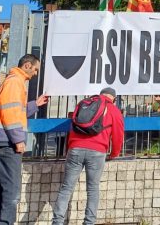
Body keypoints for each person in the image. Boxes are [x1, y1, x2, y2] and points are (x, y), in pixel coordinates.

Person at [0, 54, 49, 225]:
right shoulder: (15, 82)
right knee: (12, 192)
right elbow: (10, 114)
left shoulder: (13, 81)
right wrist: (18, 139)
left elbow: (17, 110)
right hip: (7, 143)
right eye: (35, 69)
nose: (35, 73)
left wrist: (35, 104)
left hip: (2, 141)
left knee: (1, 189)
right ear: (27, 65)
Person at [52, 87, 125, 225]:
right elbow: (118, 135)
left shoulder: (83, 103)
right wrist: (114, 153)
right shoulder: (113, 110)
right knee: (92, 189)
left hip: (75, 149)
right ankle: (89, 222)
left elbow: (74, 126)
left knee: (66, 188)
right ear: (113, 99)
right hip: (97, 152)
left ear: (100, 95)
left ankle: (57, 222)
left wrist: (71, 147)